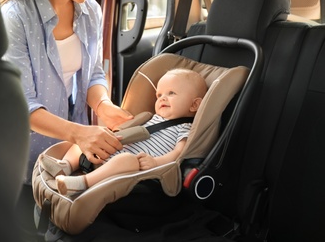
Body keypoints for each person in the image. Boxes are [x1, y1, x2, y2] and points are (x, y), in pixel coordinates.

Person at [0, 0, 132, 239]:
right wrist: (79, 134)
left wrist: (104, 106)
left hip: (65, 155)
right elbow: (21, 105)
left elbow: (93, 75)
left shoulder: (90, 10)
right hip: (19, 157)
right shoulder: (15, 16)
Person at [40, 68, 208, 196]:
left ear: (194, 105)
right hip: (111, 154)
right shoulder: (151, 118)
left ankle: (81, 183)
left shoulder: (184, 128)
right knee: (88, 136)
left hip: (134, 168)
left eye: (171, 93)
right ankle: (66, 166)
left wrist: (155, 163)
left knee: (128, 160)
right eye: (159, 95)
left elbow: (178, 154)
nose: (162, 98)